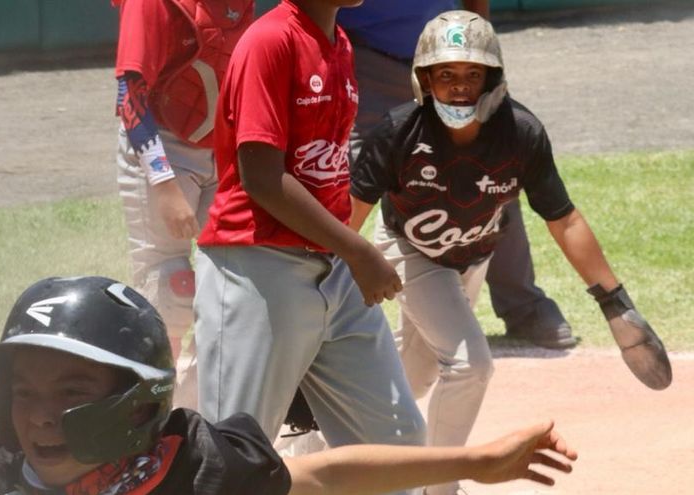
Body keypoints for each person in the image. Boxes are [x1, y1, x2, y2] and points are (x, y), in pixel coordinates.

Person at [0, 276, 578, 495]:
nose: (41, 415)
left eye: (71, 391)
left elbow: (323, 475)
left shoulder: (196, 466)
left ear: (136, 401)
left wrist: (474, 460)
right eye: (24, 392)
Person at [349, 11, 672, 494]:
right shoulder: (399, 132)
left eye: (472, 74)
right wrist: (325, 290)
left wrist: (614, 301)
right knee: (470, 365)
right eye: (446, 74)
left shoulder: (520, 133)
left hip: (471, 258)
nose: (460, 87)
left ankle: (321, 447)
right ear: (424, 80)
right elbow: (348, 217)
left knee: (413, 377)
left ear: (493, 79)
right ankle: (439, 488)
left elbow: (564, 219)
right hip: (408, 251)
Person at [193, 2, 430, 491]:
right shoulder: (270, 41)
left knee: (397, 440)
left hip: (332, 266)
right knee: (237, 459)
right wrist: (359, 251)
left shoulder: (339, 42)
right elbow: (262, 177)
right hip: (257, 265)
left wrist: (348, 253)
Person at [337, 0, 575, 350]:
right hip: (367, 61)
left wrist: (481, 51)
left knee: (495, 171)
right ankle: (329, 313)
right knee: (354, 187)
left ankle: (522, 305)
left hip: (455, 54)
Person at [112, 0, 255, 404]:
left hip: (223, 145)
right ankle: (151, 409)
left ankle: (197, 402)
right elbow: (130, 94)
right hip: (163, 145)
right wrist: (163, 183)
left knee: (238, 279)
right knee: (171, 288)